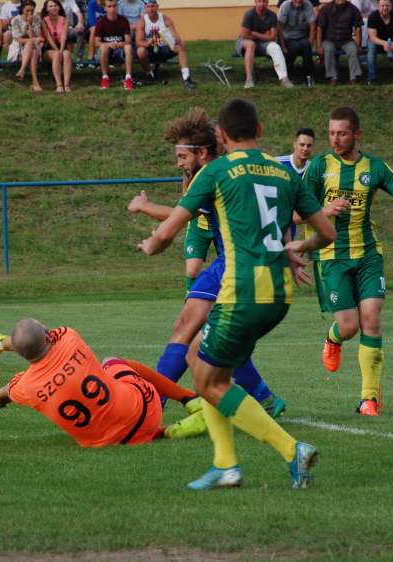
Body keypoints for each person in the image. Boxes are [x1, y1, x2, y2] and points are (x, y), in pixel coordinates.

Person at [138, 98, 337, 490]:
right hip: (279, 296)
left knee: (210, 382)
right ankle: (225, 464)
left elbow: (167, 231)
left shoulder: (216, 172)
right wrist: (299, 249)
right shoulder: (285, 174)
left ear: (221, 136)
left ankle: (288, 449)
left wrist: (150, 246)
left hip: (241, 290)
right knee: (200, 359)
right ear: (260, 130)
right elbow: (326, 233)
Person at [128, 108, 289, 420]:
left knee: (187, 331)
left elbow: (175, 218)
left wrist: (149, 225)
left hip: (233, 265)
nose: (178, 163)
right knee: (215, 337)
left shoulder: (213, 174)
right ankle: (265, 397)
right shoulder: (225, 170)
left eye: (182, 156)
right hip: (246, 265)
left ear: (201, 152)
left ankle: (152, 405)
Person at [303, 106, 393, 417]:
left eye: (342, 133)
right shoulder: (320, 167)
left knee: (372, 319)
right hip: (333, 256)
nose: (335, 139)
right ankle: (333, 337)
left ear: (357, 134)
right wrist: (324, 212)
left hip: (368, 254)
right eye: (331, 133)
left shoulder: (376, 167)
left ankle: (369, 399)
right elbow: (296, 211)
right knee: (349, 326)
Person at [0, 319, 208, 446]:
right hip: (145, 410)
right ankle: (191, 400)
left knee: (105, 423)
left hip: (105, 443)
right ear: (49, 334)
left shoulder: (25, 386)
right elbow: (46, 335)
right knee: (114, 362)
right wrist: (2, 342)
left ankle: (163, 433)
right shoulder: (70, 338)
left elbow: (2, 395)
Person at [135, 0, 195, 89]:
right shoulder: (142, 21)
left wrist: (171, 39)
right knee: (140, 51)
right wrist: (148, 42)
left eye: (153, 6)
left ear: (157, 7)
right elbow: (138, 42)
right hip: (151, 50)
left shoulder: (165, 19)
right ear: (145, 8)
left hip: (164, 48)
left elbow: (176, 37)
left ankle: (186, 77)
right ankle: (149, 75)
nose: (151, 9)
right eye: (148, 7)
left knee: (180, 45)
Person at [237, 0, 294, 88]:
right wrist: (264, 35)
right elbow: (244, 35)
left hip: (262, 42)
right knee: (251, 45)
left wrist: (254, 33)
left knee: (275, 47)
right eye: (259, 1)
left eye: (264, 1)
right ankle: (249, 79)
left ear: (268, 3)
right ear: (255, 2)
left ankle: (284, 79)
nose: (262, 4)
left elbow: (273, 37)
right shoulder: (249, 14)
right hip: (244, 41)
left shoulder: (272, 15)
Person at [316, 0, 363, 85]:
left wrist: (358, 45)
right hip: (329, 39)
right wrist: (319, 46)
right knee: (328, 49)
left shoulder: (353, 9)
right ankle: (333, 77)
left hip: (346, 39)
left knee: (353, 50)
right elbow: (320, 28)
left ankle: (354, 77)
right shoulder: (326, 8)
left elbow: (358, 28)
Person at [367, 0, 393, 85]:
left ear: (391, 6)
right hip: (377, 41)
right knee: (370, 53)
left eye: (387, 6)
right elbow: (372, 37)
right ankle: (372, 79)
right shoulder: (372, 16)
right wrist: (384, 43)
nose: (385, 8)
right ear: (378, 7)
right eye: (382, 6)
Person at [95, 0, 134, 90]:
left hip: (119, 50)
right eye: (109, 6)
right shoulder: (101, 22)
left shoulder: (123, 20)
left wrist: (122, 44)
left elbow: (128, 40)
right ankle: (105, 78)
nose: (112, 9)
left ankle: (128, 78)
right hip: (104, 53)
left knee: (128, 47)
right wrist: (108, 44)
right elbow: (96, 43)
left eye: (114, 6)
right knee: (104, 47)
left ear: (117, 7)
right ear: (105, 8)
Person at [278, 0, 317, 85]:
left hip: (302, 36)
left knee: (306, 46)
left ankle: (309, 77)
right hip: (288, 37)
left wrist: (310, 41)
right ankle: (288, 75)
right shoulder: (285, 6)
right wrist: (283, 46)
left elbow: (313, 25)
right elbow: (280, 27)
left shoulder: (308, 5)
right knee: (294, 47)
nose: (298, 1)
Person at [11, 0, 43, 90]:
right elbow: (18, 39)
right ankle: (35, 82)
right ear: (22, 9)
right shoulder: (16, 20)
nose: (30, 13)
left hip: (33, 47)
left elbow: (35, 36)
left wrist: (30, 24)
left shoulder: (36, 19)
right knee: (31, 45)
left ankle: (22, 70)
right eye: (27, 11)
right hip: (18, 47)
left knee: (32, 47)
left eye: (32, 11)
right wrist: (34, 39)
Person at [42, 0, 73, 91]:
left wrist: (61, 49)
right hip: (49, 47)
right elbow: (48, 37)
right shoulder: (44, 20)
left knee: (67, 54)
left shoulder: (65, 19)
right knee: (57, 55)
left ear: (59, 7)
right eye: (50, 6)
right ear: (47, 9)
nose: (53, 8)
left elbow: (64, 36)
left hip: (62, 45)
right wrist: (58, 51)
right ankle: (59, 85)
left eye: (55, 5)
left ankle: (66, 85)